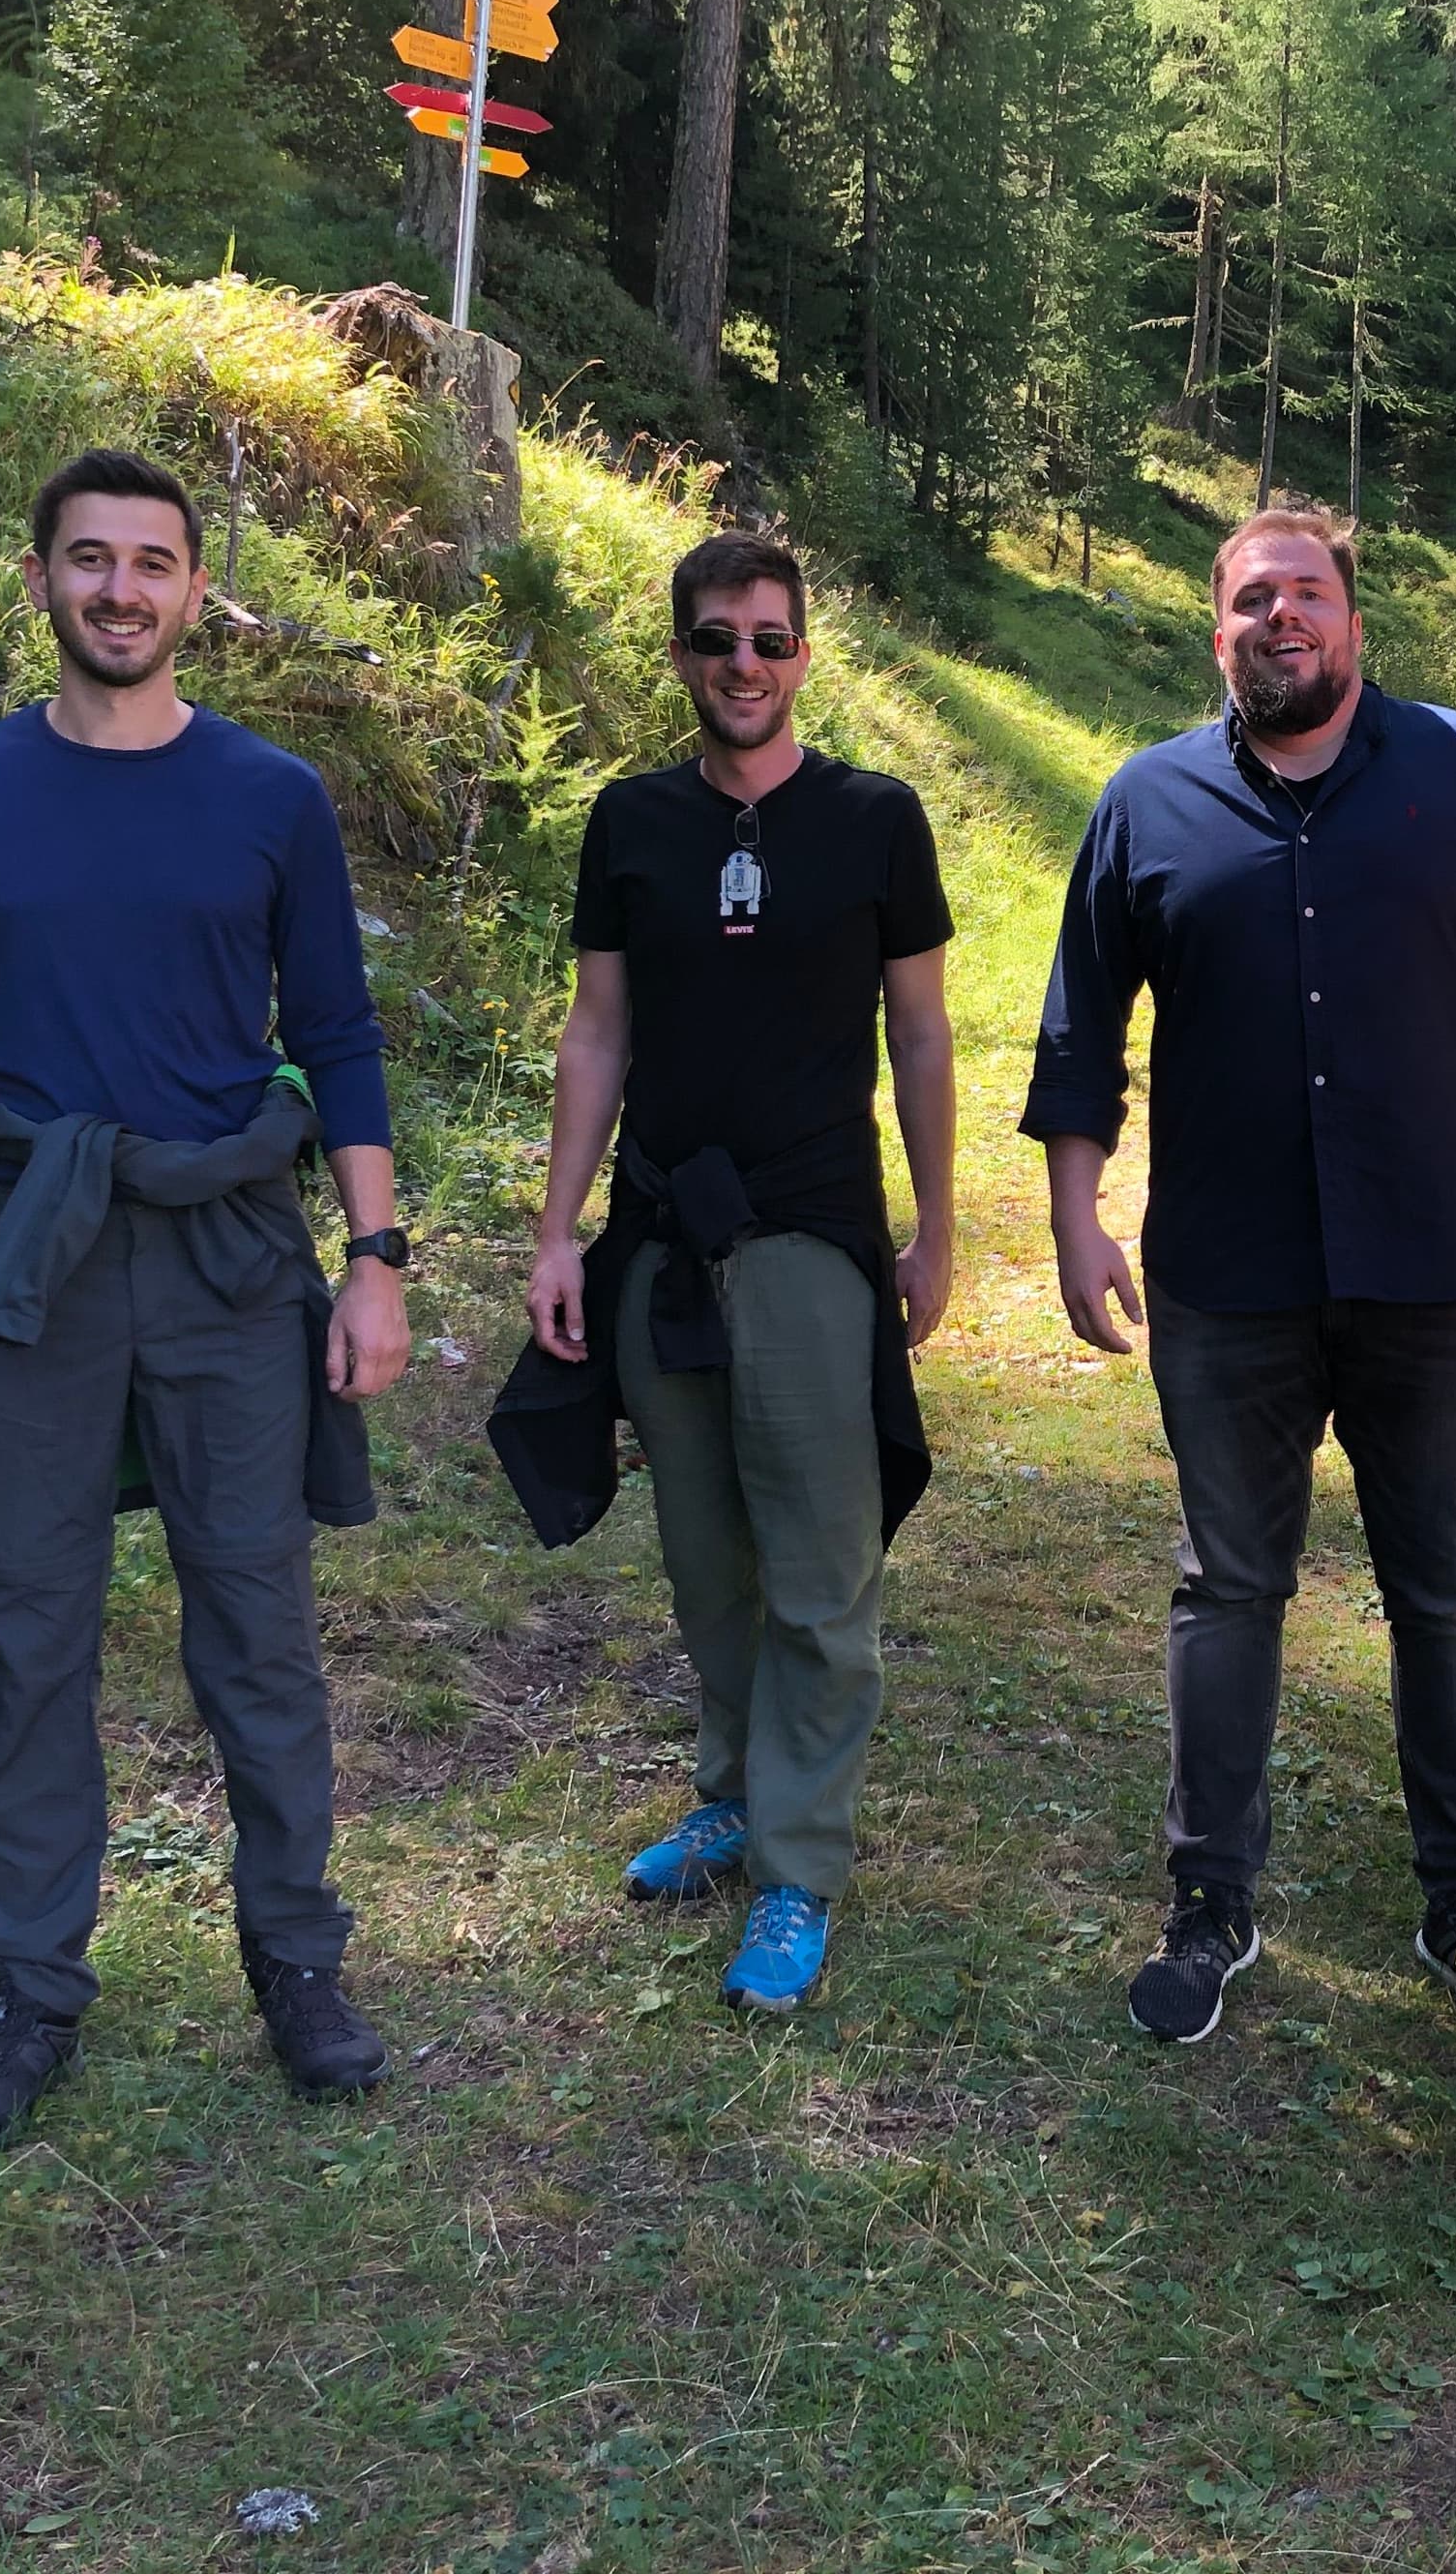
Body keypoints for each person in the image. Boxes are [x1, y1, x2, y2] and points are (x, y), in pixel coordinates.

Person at [0, 448, 414, 2157]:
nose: (121, 589)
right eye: (89, 560)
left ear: (196, 591)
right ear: (45, 580)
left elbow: (341, 1034)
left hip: (223, 1253)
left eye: (152, 562)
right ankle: (28, 1992)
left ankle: (296, 1960)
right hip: (17, 1253)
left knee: (257, 1630)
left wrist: (373, 1259)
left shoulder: (270, 797)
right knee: (26, 1632)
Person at [1024, 503, 1456, 2048]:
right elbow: (1077, 1034)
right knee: (1226, 1588)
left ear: (1355, 625)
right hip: (1224, 1281)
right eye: (1253, 600)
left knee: (1442, 1593)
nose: (1280, 620)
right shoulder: (1145, 804)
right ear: (1218, 632)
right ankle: (1208, 1903)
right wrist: (1075, 1217)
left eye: (1306, 594)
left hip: (1438, 1273)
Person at [521, 533, 955, 2018]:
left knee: (822, 1574)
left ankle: (798, 1868)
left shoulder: (877, 822)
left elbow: (922, 1035)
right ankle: (730, 1791)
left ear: (806, 656)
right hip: (658, 1240)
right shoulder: (630, 822)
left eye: (771, 641)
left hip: (811, 1240)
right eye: (718, 641)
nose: (744, 666)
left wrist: (937, 1226)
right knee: (707, 1556)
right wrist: (558, 1229)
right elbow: (598, 1034)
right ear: (682, 657)